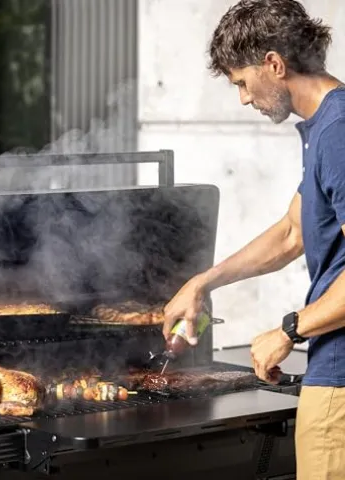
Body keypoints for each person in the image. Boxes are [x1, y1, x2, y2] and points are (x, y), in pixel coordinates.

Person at [162, 0, 345, 478]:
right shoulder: (326, 127)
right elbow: (291, 232)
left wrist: (289, 331)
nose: (243, 99)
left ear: (274, 64)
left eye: (242, 82)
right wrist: (203, 283)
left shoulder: (338, 133)